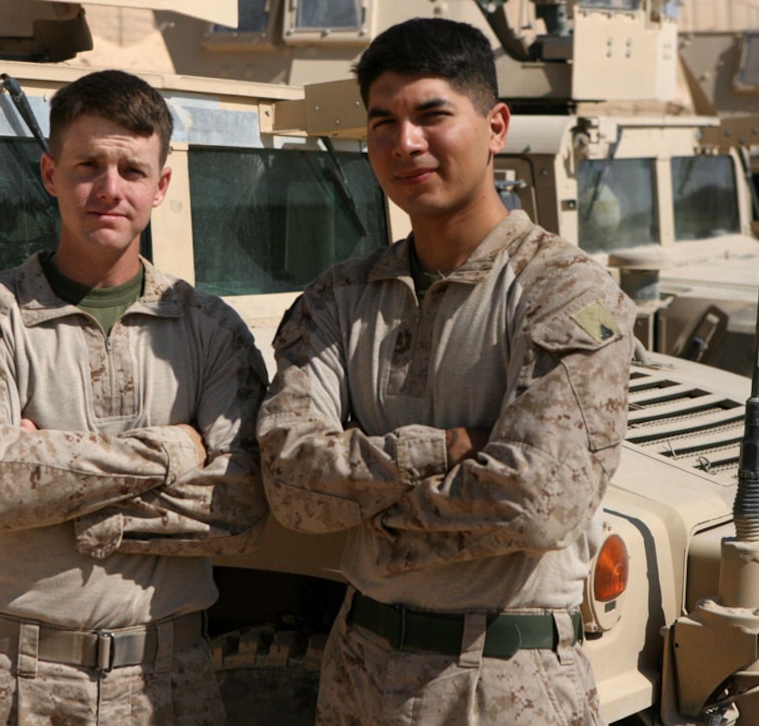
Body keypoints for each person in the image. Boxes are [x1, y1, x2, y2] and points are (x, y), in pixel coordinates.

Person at [257, 18, 635, 726]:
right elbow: (289, 485)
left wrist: (369, 513)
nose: (406, 143)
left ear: (495, 126)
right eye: (383, 122)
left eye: (432, 114)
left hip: (503, 686)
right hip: (357, 676)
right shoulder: (339, 298)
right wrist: (451, 446)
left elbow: (537, 498)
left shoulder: (566, 291)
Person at [0, 69, 268, 725]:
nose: (109, 189)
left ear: (161, 185)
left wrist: (52, 478)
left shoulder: (212, 332)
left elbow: (243, 503)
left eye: (131, 169)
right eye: (87, 165)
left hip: (171, 683)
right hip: (19, 682)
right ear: (50, 173)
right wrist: (177, 445)